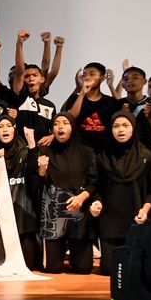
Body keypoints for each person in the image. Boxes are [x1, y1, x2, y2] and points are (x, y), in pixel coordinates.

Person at [89, 111, 151, 276]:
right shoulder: (102, 157)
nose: (121, 130)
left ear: (133, 128)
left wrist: (145, 210)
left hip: (136, 220)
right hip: (110, 222)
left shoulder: (147, 157)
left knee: (135, 269)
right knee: (109, 270)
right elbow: (96, 186)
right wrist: (97, 202)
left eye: (126, 125)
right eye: (116, 126)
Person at [37, 114, 97, 274]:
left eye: (65, 123)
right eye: (56, 124)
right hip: (54, 211)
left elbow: (94, 182)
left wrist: (82, 197)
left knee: (83, 268)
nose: (60, 127)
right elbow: (37, 184)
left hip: (78, 208)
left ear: (72, 127)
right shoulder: (45, 151)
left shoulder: (86, 152)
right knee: (52, 268)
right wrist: (42, 170)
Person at [0, 116, 41, 270]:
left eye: (9, 125)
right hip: (2, 216)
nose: (5, 129)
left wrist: (32, 143)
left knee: (30, 266)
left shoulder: (25, 151)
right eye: (1, 126)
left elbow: (33, 173)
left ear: (15, 129)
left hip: (25, 216)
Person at [61, 63, 121, 152]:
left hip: (103, 152)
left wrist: (111, 86)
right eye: (84, 75)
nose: (87, 77)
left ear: (102, 78)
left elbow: (122, 112)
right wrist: (81, 91)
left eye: (92, 74)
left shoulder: (110, 101)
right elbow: (68, 117)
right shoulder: (76, 99)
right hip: (78, 150)